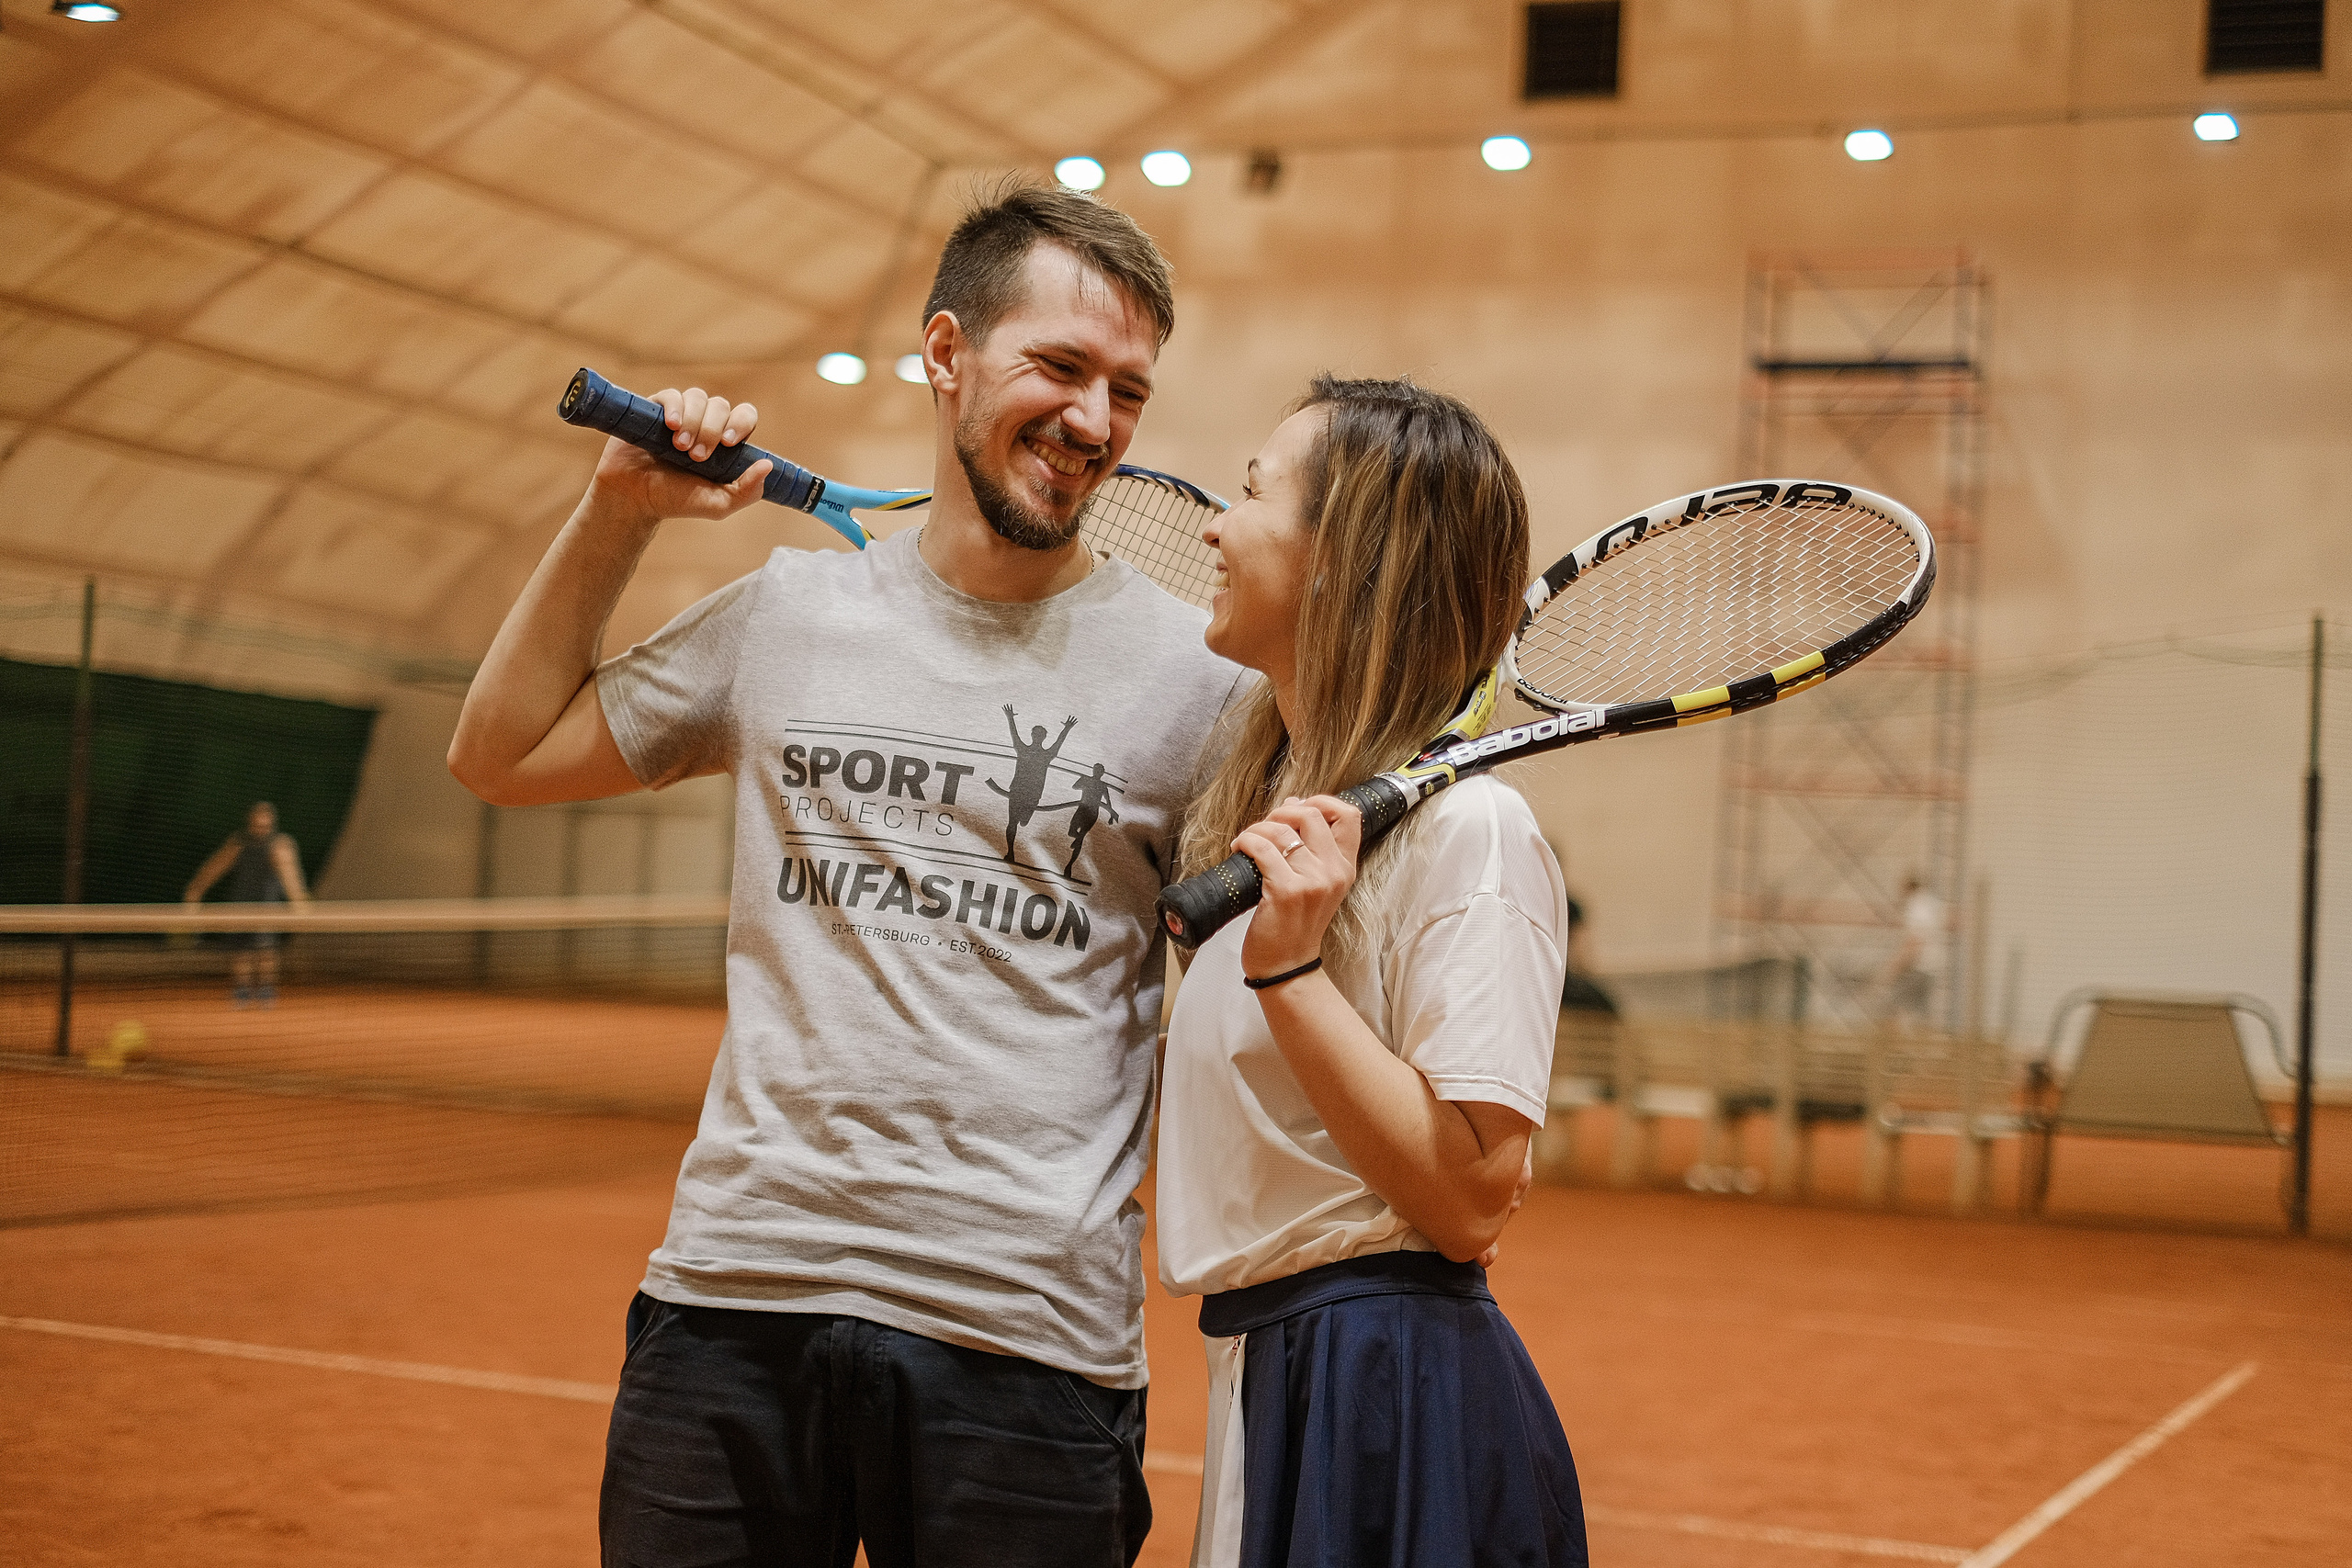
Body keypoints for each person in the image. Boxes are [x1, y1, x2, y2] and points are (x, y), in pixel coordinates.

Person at [447, 182, 1242, 1565]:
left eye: (1129, 389)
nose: (1096, 424)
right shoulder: (785, 619)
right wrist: (619, 509)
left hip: (1029, 1344)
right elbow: (502, 752)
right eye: (1058, 367)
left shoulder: (1200, 679)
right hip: (736, 1304)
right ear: (947, 354)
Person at [1156, 377, 1589, 1567]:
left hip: (1383, 1393)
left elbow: (1469, 1193)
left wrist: (1290, 972)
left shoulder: (1475, 833)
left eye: (1251, 493)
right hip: (1281, 1366)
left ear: (1343, 557)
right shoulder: (1285, 822)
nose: (1213, 524)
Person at [182, 800, 310, 1008]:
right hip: (240, 904)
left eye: (266, 826)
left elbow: (290, 875)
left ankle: (266, 991)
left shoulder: (279, 845)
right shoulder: (239, 843)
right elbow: (216, 866)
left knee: (266, 949)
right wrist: (196, 889)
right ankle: (242, 990)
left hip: (267, 907)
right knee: (241, 950)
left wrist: (299, 903)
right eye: (258, 825)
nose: (262, 830)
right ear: (250, 823)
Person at [1883, 872, 1945, 1029]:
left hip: (1919, 966)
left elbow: (1915, 941)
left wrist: (1895, 967)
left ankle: (1892, 1047)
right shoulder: (1930, 903)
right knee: (1920, 1012)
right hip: (1933, 967)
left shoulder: (1915, 907)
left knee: (1893, 1003)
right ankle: (1921, 1047)